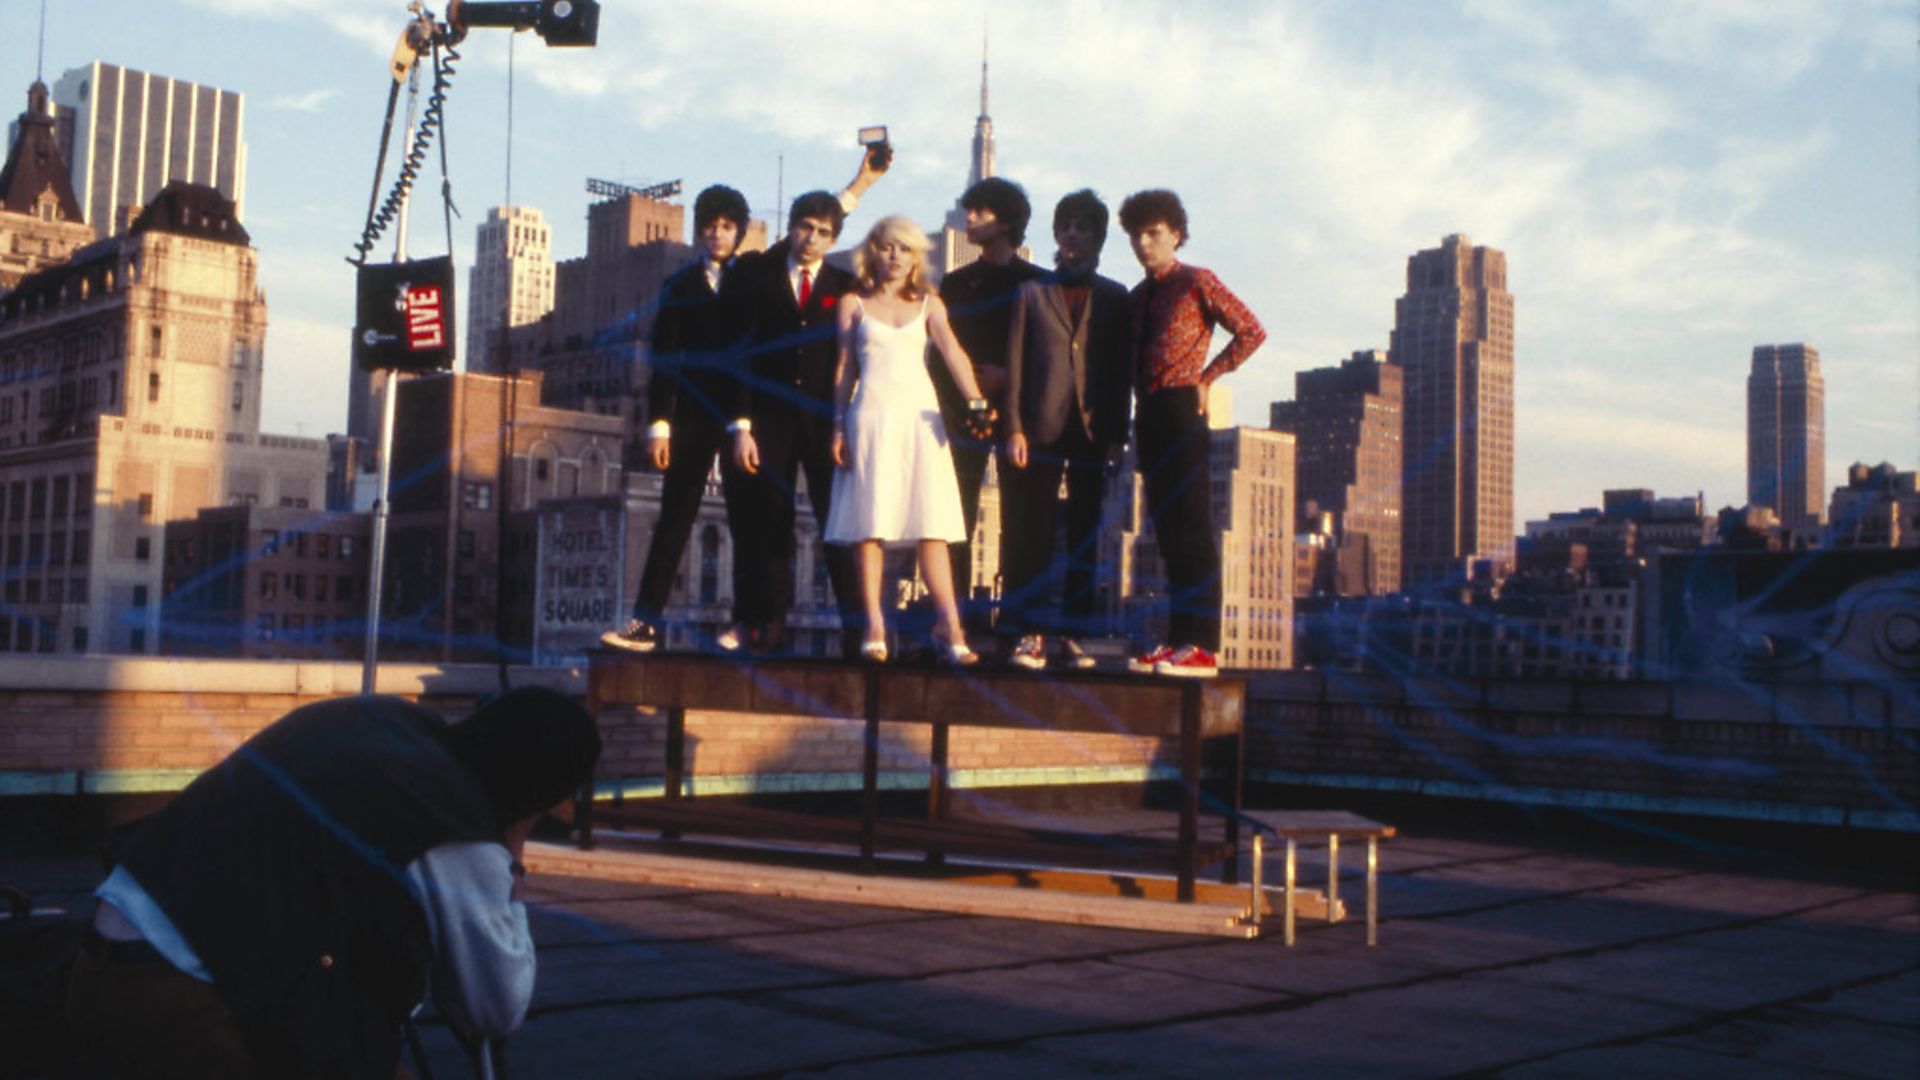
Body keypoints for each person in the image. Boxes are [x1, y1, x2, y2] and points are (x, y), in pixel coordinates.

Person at [65, 688, 602, 1079]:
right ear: (540, 796)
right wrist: (512, 847)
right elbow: (494, 1006)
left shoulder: (372, 717)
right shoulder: (451, 826)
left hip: (107, 962)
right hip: (185, 1001)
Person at [723, 151, 888, 656]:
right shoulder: (759, 275)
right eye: (804, 228)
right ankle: (762, 624)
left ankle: (856, 628)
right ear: (791, 229)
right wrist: (742, 426)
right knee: (767, 520)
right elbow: (741, 352)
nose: (812, 238)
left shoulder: (843, 286)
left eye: (822, 232)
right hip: (768, 419)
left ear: (834, 240)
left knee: (836, 522)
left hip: (823, 422)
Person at [824, 216, 990, 666]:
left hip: (922, 419)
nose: (895, 255)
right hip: (871, 417)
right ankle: (874, 624)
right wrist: (837, 425)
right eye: (886, 246)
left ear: (916, 257)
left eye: (904, 248)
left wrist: (975, 401)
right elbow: (844, 368)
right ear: (872, 253)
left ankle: (949, 623)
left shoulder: (931, 305)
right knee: (869, 526)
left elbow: (954, 353)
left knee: (931, 525)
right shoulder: (852, 304)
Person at [1119, 189, 1266, 678]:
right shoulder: (1138, 297)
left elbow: (1250, 329)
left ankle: (1204, 644)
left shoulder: (1195, 281)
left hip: (1183, 405)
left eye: (1153, 233)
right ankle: (1181, 640)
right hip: (1150, 413)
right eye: (1137, 234)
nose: (1143, 243)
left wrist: (1209, 377)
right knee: (1165, 530)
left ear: (1175, 234)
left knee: (1193, 527)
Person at [603, 184, 755, 653]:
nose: (717, 234)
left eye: (726, 227)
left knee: (749, 517)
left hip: (745, 417)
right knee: (675, 515)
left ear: (739, 232)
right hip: (691, 414)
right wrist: (659, 425)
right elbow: (665, 359)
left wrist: (746, 423)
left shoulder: (753, 281)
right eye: (709, 226)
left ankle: (748, 623)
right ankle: (644, 623)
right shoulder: (680, 286)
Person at [1000, 190, 1134, 671]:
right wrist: (1013, 427)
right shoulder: (1031, 292)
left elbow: (1122, 373)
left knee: (1084, 535)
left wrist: (1118, 435)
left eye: (1083, 226)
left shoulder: (1116, 297)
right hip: (1037, 427)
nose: (1073, 234)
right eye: (1066, 226)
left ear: (1098, 236)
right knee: (1028, 533)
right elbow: (1015, 366)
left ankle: (1075, 635)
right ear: (1056, 234)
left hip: (1092, 430)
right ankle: (1027, 634)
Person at [934, 178, 1045, 630]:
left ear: (1006, 221)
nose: (970, 219)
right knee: (953, 515)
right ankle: (955, 618)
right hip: (963, 413)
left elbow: (1047, 355)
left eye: (981, 212)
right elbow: (940, 350)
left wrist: (1006, 386)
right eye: (970, 210)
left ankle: (1021, 625)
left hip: (1021, 416)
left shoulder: (1036, 282)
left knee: (1021, 519)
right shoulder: (957, 281)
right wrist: (968, 400)